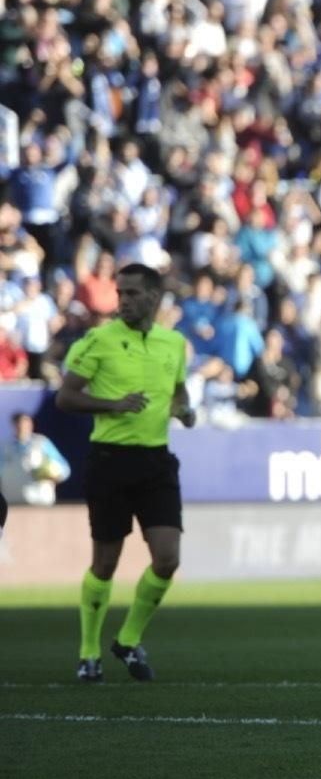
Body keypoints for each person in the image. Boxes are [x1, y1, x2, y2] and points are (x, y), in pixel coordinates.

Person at [57, 263, 195, 684]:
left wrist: (184, 409)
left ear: (154, 298)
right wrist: (114, 405)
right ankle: (88, 652)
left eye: (132, 294)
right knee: (105, 564)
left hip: (155, 460)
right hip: (110, 459)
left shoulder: (173, 343)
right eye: (120, 294)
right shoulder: (99, 340)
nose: (123, 301)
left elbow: (178, 390)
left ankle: (129, 640)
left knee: (167, 558)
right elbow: (66, 397)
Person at [1, 411, 71, 505]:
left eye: (25, 423)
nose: (22, 427)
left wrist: (54, 475)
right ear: (13, 425)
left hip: (40, 502)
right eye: (19, 424)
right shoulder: (4, 447)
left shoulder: (42, 443)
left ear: (31, 424)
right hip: (12, 502)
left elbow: (64, 469)